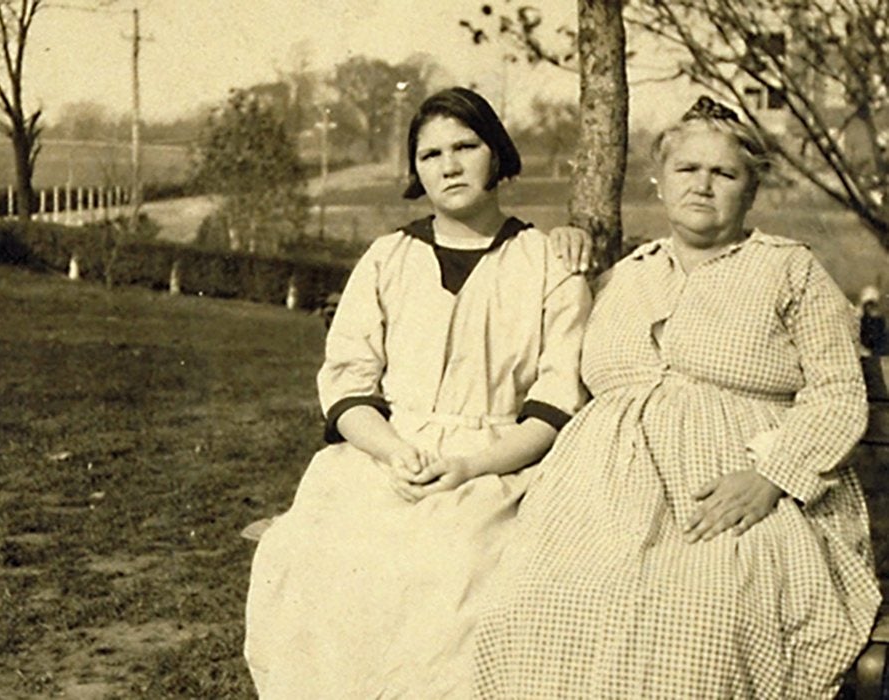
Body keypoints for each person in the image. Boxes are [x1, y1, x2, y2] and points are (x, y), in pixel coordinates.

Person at [472, 95, 881, 699]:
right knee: (531, 608)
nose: (703, 186)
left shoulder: (789, 270)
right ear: (659, 181)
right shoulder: (624, 275)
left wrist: (771, 477)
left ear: (751, 190)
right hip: (596, 504)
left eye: (725, 173)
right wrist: (559, 248)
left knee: (699, 628)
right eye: (688, 170)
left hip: (735, 497)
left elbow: (839, 393)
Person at [244, 86, 593, 699]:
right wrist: (390, 451)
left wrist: (468, 465)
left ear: (498, 155)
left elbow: (556, 401)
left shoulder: (546, 262)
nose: (450, 165)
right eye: (431, 155)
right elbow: (347, 382)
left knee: (455, 578)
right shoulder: (387, 258)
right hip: (384, 454)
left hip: (497, 465)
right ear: (416, 169)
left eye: (466, 146)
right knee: (314, 559)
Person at [860, 285, 888, 356]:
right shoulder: (862, 319)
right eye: (868, 305)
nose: (869, 307)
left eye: (872, 305)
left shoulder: (879, 320)